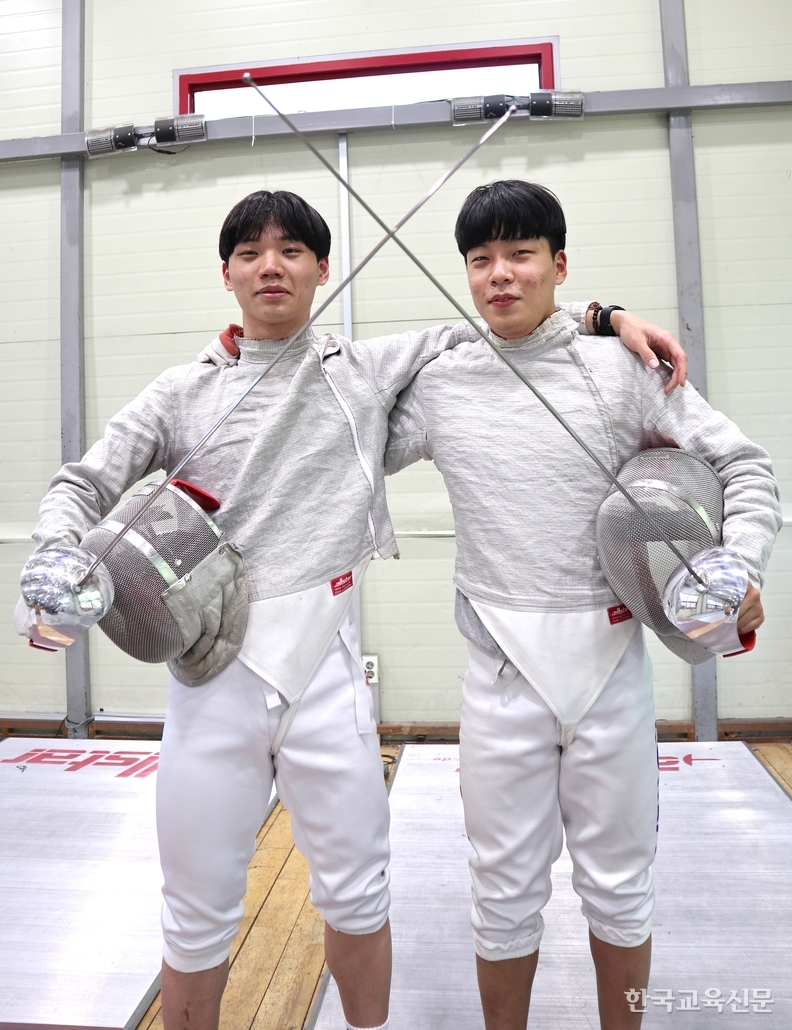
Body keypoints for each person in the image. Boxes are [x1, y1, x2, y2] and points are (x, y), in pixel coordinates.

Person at [20, 188, 687, 1030]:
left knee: (359, 895)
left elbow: (501, 323)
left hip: (324, 678)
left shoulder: (362, 371)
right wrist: (54, 557)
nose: (271, 266)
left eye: (292, 250)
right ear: (226, 274)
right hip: (211, 679)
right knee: (194, 913)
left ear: (323, 268)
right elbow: (83, 482)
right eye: (250, 253)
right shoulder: (180, 392)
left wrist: (604, 316)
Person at [384, 180, 781, 1029]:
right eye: (481, 260)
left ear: (559, 265)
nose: (500, 274)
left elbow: (744, 464)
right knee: (502, 892)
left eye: (521, 254)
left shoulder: (623, 372)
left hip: (609, 671)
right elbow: (343, 432)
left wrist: (740, 567)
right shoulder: (443, 383)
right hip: (500, 676)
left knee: (622, 888)